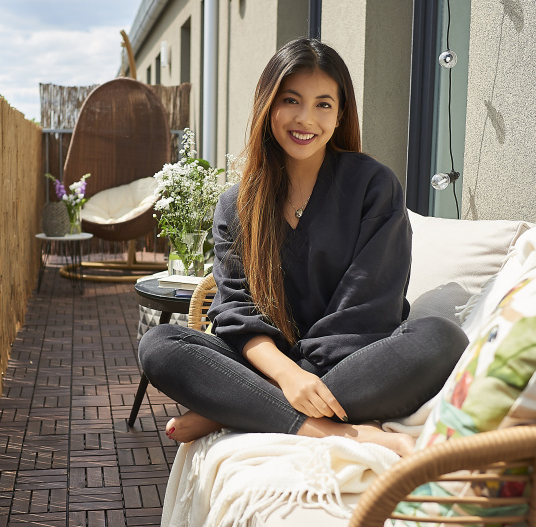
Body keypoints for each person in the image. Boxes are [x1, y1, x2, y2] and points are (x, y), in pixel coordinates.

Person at [137, 38, 468, 456]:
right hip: (268, 363)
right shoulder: (236, 205)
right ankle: (329, 432)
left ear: (340, 113)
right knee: (160, 345)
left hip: (353, 360)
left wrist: (285, 380)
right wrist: (288, 377)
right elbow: (237, 311)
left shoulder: (373, 186)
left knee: (440, 339)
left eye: (323, 104)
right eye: (291, 100)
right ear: (269, 105)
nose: (306, 118)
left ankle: (236, 411)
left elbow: (367, 308)